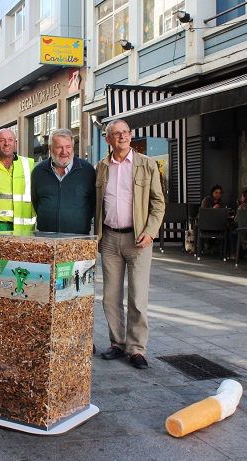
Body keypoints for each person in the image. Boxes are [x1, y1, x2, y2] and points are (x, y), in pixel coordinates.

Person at [95, 120, 165, 369]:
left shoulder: (146, 165)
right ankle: (117, 343)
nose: (122, 137)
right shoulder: (101, 167)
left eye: (125, 132)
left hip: (138, 239)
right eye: (116, 134)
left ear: (131, 136)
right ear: (108, 140)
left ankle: (136, 349)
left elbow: (158, 203)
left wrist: (150, 232)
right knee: (110, 297)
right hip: (110, 238)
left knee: (137, 296)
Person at [30, 128, 96, 235]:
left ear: (73, 147)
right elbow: (36, 201)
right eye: (59, 147)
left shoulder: (87, 170)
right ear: (50, 148)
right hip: (46, 238)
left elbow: (93, 203)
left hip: (78, 238)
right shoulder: (38, 171)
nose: (64, 151)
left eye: (68, 147)